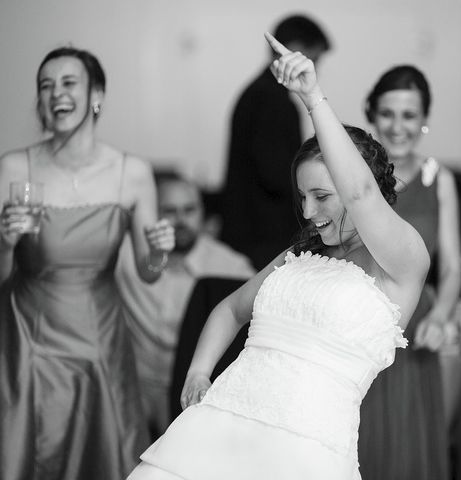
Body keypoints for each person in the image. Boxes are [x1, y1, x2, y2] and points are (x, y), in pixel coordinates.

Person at [127, 32, 429, 480]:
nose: (308, 211)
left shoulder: (402, 262)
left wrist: (311, 97)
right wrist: (198, 371)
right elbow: (230, 308)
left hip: (303, 448)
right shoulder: (302, 252)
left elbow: (362, 193)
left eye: (323, 196)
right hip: (220, 424)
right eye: (302, 196)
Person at [0, 47, 175, 480]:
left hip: (100, 339)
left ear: (96, 95)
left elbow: (147, 275)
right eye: (45, 86)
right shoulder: (12, 168)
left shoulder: (130, 172)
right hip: (26, 337)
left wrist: (158, 252)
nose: (55, 93)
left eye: (68, 83)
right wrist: (5, 244)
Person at [358, 65, 461, 480]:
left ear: (424, 121)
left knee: (409, 447)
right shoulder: (354, 176)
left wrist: (441, 316)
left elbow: (452, 265)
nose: (398, 126)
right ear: (371, 113)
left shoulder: (440, 179)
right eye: (387, 113)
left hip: (417, 323)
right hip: (360, 321)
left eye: (409, 115)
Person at [116, 173, 255, 439]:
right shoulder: (127, 259)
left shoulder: (233, 268)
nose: (181, 220)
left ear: (204, 214)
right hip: (134, 388)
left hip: (194, 392)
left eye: (189, 210)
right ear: (153, 214)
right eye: (170, 211)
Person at [220, 14, 331, 269]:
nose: (317, 68)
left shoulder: (257, 93)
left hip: (251, 233)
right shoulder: (271, 100)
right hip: (263, 237)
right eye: (314, 58)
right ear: (294, 50)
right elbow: (276, 174)